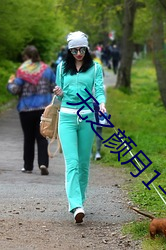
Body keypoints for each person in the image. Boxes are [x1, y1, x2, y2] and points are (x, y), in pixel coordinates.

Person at [53, 31, 106, 223]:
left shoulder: (95, 68)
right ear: (69, 50)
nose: (78, 53)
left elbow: (99, 90)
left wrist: (101, 103)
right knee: (72, 163)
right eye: (74, 50)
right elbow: (59, 96)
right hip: (66, 118)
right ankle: (75, 205)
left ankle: (80, 201)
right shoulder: (61, 68)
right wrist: (58, 92)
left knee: (84, 164)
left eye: (82, 49)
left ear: (87, 48)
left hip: (87, 118)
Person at [7, 45, 56, 175]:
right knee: (42, 137)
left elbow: (15, 90)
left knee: (28, 138)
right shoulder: (47, 70)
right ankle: (43, 163)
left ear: (26, 57)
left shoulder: (22, 71)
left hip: (26, 109)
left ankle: (28, 166)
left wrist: (10, 83)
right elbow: (54, 87)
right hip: (43, 109)